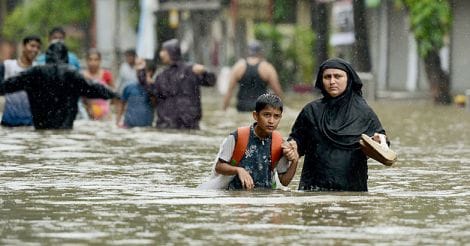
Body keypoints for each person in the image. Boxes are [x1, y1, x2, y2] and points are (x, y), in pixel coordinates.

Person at [286, 58, 389, 192]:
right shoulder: (311, 111)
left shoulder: (364, 113)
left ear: (349, 79)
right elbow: (296, 143)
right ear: (321, 80)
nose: (332, 81)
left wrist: (377, 141)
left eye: (338, 76)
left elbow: (383, 145)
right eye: (327, 77)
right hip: (313, 190)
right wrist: (291, 147)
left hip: (352, 192)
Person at [0, 42, 119, 130]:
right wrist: (115, 95)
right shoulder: (72, 75)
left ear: (47, 56)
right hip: (65, 131)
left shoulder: (34, 73)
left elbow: (7, 85)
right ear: (66, 57)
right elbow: (94, 88)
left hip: (41, 129)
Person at [206, 94, 299, 190]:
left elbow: (284, 181)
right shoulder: (237, 137)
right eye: (266, 115)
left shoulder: (279, 143)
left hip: (266, 199)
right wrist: (238, 170)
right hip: (235, 197)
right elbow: (219, 167)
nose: (271, 121)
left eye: (276, 116)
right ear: (255, 115)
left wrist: (295, 161)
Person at [139, 39, 216, 129]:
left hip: (188, 125)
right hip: (166, 125)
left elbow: (211, 82)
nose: (161, 54)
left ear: (171, 52)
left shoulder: (191, 70)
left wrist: (205, 71)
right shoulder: (162, 75)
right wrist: (142, 74)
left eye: (164, 51)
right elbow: (154, 94)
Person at [223, 40, 283, 112]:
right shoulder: (267, 68)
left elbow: (229, 91)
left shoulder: (238, 66)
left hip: (242, 107)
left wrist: (224, 109)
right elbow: (277, 91)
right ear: (260, 52)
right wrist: (282, 109)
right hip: (261, 108)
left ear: (248, 52)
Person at [1, 35, 42, 127]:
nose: (35, 50)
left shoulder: (38, 70)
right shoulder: (7, 66)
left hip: (31, 124)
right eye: (32, 46)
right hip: (8, 124)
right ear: (23, 46)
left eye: (38, 48)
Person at [116, 60, 156, 128]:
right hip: (128, 126)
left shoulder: (155, 88)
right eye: (138, 71)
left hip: (146, 127)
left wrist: (150, 87)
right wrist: (117, 121)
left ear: (150, 72)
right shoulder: (129, 87)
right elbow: (121, 104)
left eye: (143, 72)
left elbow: (155, 104)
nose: (139, 74)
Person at [81, 49, 114, 120]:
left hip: (105, 113)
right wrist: (88, 107)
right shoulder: (82, 76)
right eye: (90, 59)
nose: (93, 62)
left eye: (96, 60)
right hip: (87, 112)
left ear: (100, 61)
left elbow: (113, 93)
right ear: (86, 61)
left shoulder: (106, 75)